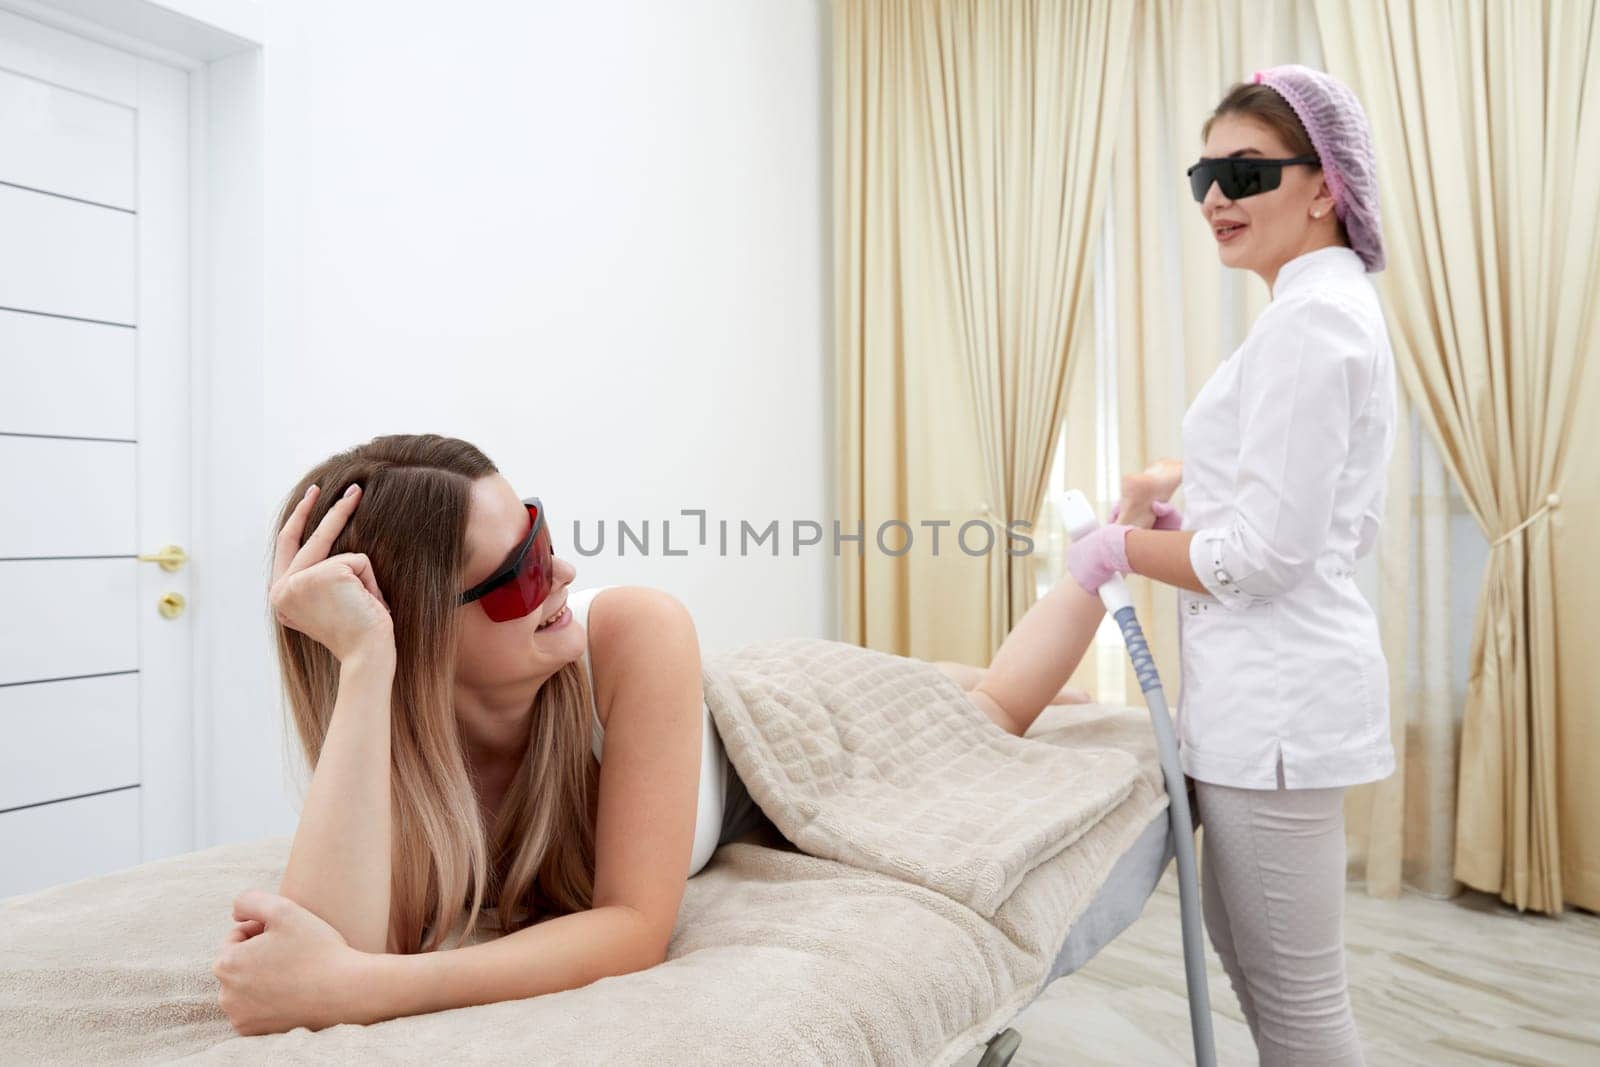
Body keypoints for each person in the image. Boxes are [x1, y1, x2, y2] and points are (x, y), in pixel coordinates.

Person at [210, 433, 1088, 1036]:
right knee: (956, 687)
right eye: (515, 576)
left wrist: (370, 991)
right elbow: (325, 944)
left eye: (538, 533)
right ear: (415, 632)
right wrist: (364, 663)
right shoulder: (388, 721)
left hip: (779, 724)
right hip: (704, 721)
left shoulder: (636, 628)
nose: (559, 570)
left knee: (991, 712)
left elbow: (632, 926)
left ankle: (1105, 551)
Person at [1058, 64, 1396, 1065]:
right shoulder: (1301, 311)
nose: (1214, 196)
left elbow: (1267, 557)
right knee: (1253, 969)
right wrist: (1176, 519)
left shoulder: (1312, 320)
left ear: (1323, 183)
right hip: (1259, 704)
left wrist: (1119, 545)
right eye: (1205, 172)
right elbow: (1269, 517)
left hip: (1281, 709)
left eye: (1245, 173)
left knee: (1293, 1000)